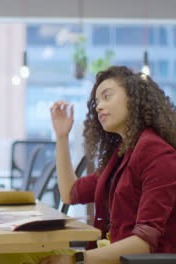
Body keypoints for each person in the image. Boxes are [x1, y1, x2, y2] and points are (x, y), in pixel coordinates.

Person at [40, 66, 176, 264]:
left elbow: (145, 242)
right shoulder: (124, 152)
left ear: (133, 97)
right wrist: (62, 136)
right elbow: (70, 192)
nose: (98, 107)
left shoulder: (157, 153)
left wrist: (75, 259)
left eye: (107, 97)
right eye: (96, 102)